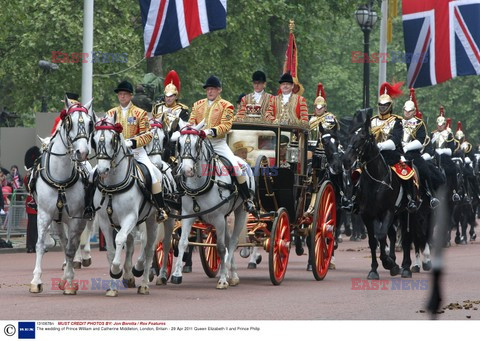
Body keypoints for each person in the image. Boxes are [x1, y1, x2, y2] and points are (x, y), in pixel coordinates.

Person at [86, 80, 168, 222]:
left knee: (153, 175)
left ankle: (160, 209)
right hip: (114, 155)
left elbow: (148, 135)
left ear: (130, 96)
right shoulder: (110, 113)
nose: (122, 96)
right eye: (120, 94)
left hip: (137, 153)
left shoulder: (140, 113)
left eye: (125, 94)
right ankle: (88, 208)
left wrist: (131, 142)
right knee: (92, 174)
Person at [187, 75, 257, 215]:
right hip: (200, 144)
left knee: (236, 168)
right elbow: (191, 121)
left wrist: (208, 132)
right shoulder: (197, 104)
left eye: (213, 89)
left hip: (217, 143)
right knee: (185, 165)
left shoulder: (227, 106)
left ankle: (247, 199)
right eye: (208, 89)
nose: (210, 91)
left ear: (219, 90)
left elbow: (225, 126)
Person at [371, 82, 419, 211]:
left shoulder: (396, 121)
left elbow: (395, 140)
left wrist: (380, 146)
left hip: (389, 155)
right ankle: (352, 198)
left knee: (407, 173)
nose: (382, 107)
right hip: (373, 155)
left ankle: (410, 199)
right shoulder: (372, 121)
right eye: (380, 105)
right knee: (356, 171)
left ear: (390, 106)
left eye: (385, 105)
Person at [401, 89, 439, 208]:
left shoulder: (419, 123)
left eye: (410, 111)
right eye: (405, 111)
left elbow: (421, 140)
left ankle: (431, 195)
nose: (407, 113)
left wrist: (406, 147)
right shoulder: (397, 121)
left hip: (413, 154)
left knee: (424, 170)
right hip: (397, 153)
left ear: (414, 111)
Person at [428, 106, 460, 202]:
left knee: (452, 169)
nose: (439, 126)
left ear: (444, 124)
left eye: (441, 124)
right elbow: (429, 146)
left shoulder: (449, 134)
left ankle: (455, 192)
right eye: (438, 124)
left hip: (444, 157)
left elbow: (451, 149)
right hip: (434, 156)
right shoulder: (432, 134)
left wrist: (442, 151)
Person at [309, 83, 339, 169]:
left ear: (325, 108)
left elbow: (329, 131)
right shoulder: (310, 119)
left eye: (321, 107)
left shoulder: (330, 118)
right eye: (316, 107)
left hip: (326, 147)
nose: (318, 109)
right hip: (311, 147)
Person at [24, 171, 37, 253]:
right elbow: (26, 183)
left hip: (39, 203)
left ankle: (37, 245)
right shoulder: (29, 176)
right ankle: (30, 245)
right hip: (32, 201)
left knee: (39, 227)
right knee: (32, 226)